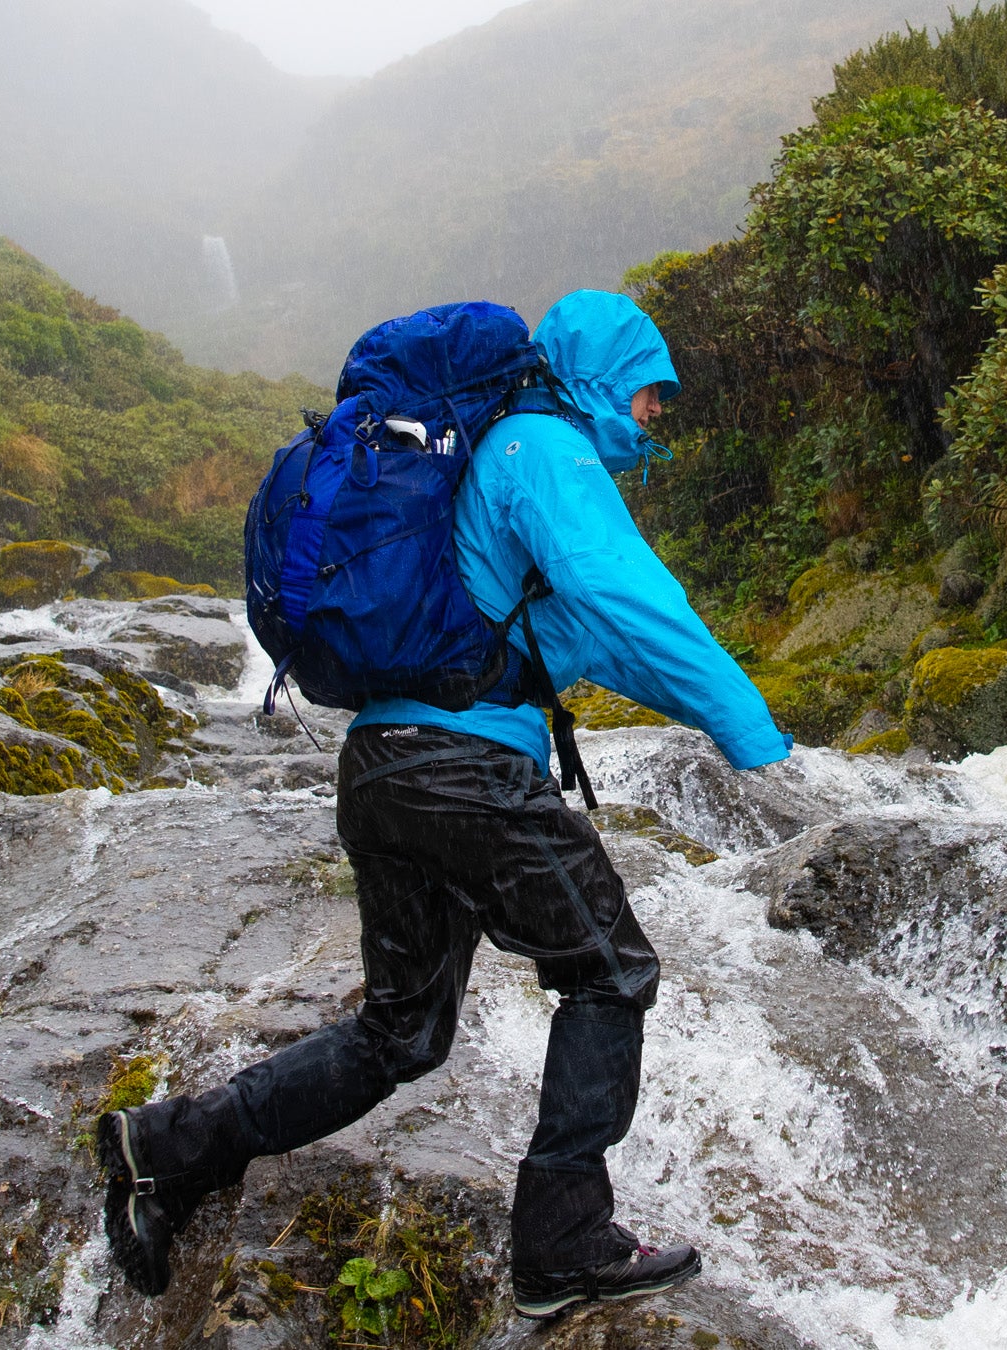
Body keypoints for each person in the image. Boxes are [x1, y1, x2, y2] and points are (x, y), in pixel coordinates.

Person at [95, 290, 789, 1318]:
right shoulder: (543, 451)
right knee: (610, 971)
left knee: (401, 1035)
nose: (654, 419)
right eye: (650, 393)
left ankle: (162, 1149)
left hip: (386, 769)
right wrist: (751, 731)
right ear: (600, 373)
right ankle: (561, 1246)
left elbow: (597, 639)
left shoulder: (493, 466)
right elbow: (633, 598)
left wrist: (705, 715)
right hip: (464, 774)